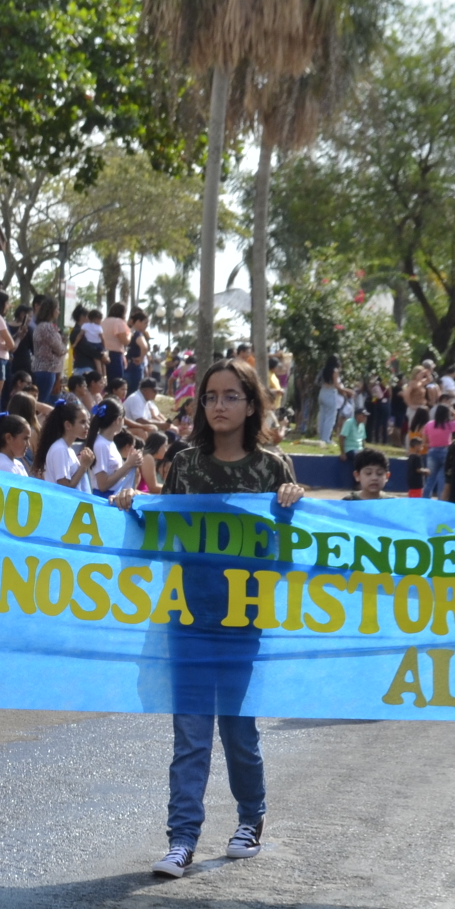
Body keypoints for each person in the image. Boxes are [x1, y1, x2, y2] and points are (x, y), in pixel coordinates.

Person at [110, 356, 304, 878]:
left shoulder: (273, 468)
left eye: (231, 396)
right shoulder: (187, 464)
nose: (219, 405)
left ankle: (250, 818)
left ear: (250, 405)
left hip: (245, 618)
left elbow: (287, 555)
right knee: (190, 734)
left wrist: (291, 506)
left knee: (238, 729)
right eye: (211, 396)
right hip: (188, 617)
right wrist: (133, 505)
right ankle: (182, 838)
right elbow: (164, 535)